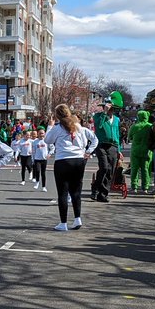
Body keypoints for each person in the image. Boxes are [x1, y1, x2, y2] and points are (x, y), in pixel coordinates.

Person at [44, 104, 99, 232]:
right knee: (76, 191)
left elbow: (47, 140)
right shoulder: (79, 127)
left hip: (63, 160)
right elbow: (91, 140)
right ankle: (77, 218)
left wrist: (50, 126)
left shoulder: (58, 128)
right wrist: (87, 152)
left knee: (63, 193)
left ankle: (63, 223)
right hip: (78, 160)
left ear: (57, 115)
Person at [92, 96, 121, 202]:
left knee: (110, 170)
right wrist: (104, 113)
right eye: (108, 107)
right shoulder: (98, 116)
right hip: (101, 145)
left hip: (113, 146)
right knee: (104, 167)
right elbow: (98, 126)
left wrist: (119, 150)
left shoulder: (116, 119)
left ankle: (103, 194)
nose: (110, 110)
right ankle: (95, 188)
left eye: (112, 108)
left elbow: (117, 134)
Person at [128, 109, 153, 194]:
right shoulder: (150, 126)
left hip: (135, 151)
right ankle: (145, 187)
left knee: (134, 169)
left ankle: (134, 187)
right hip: (147, 151)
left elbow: (129, 137)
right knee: (145, 169)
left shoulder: (134, 126)